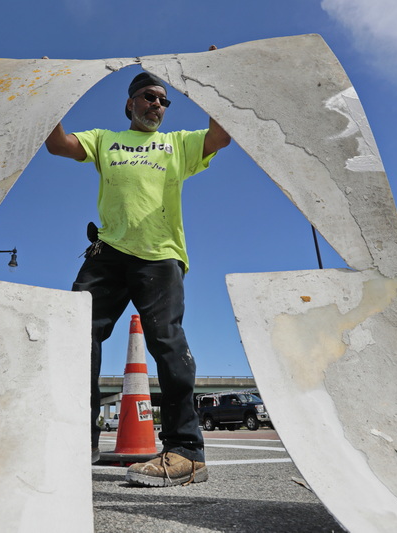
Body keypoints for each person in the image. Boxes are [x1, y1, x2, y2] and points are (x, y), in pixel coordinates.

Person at [45, 71, 230, 487]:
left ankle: (186, 452)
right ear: (130, 103)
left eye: (164, 101)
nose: (158, 106)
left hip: (160, 256)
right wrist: (51, 92)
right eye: (149, 97)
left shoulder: (177, 144)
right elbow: (58, 144)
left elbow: (220, 137)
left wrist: (216, 85)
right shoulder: (104, 140)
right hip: (108, 253)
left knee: (166, 343)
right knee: (75, 334)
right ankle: (78, 440)